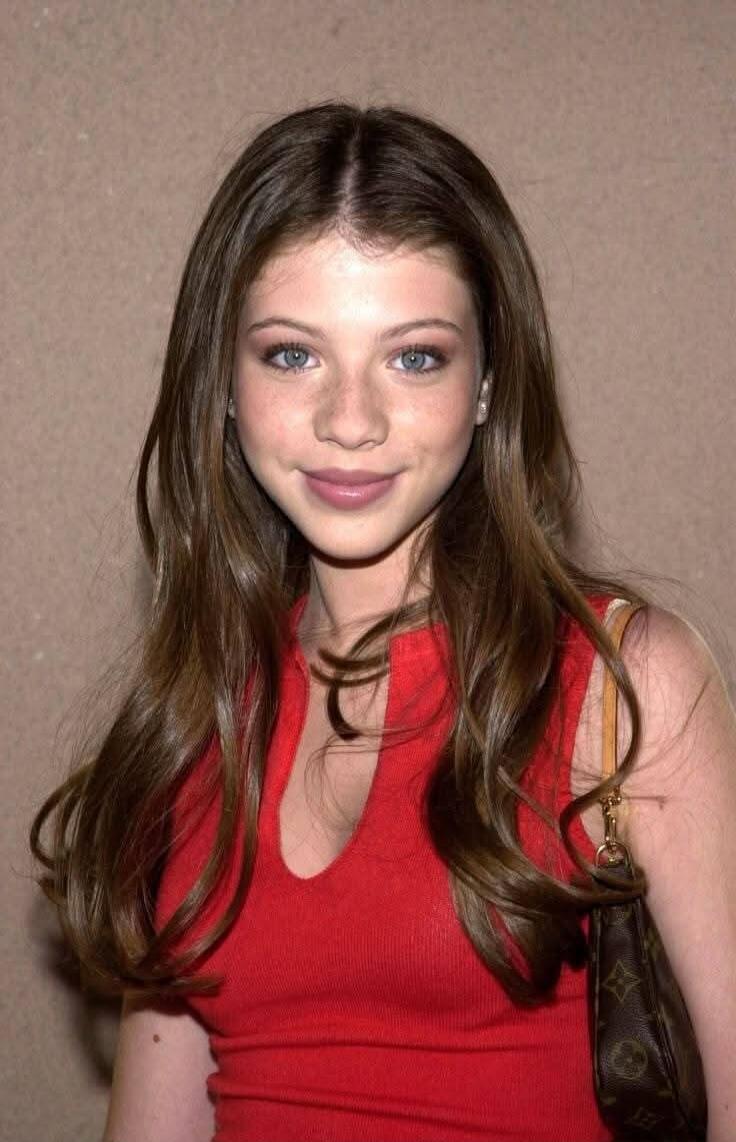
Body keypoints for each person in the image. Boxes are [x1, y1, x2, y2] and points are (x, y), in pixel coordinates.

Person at [30, 101, 736, 1142]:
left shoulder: (623, 683)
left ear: (488, 382)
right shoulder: (195, 718)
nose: (349, 421)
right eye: (291, 355)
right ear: (221, 381)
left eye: (413, 358)